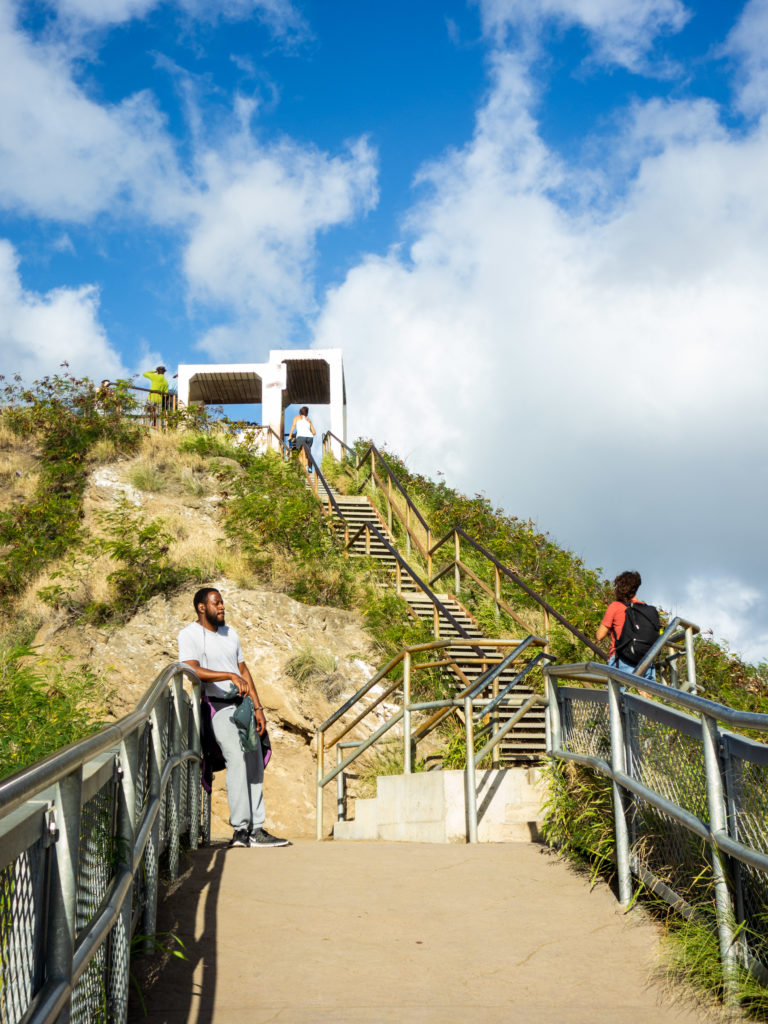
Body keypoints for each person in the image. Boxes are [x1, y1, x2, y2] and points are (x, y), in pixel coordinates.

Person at [178, 587, 290, 848]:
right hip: (217, 706)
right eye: (216, 603)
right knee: (236, 758)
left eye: (222, 603)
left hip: (244, 706)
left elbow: (243, 670)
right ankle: (240, 829)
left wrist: (258, 707)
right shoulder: (189, 634)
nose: (222, 607)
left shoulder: (231, 634)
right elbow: (190, 669)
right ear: (201, 608)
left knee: (254, 760)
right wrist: (227, 676)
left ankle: (256, 829)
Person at [597, 571, 657, 680]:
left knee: (617, 696)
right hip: (647, 662)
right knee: (646, 696)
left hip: (622, 661)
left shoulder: (615, 606)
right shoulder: (646, 609)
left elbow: (599, 636)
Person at [287, 406, 316, 473]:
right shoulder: (308, 420)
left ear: (300, 412)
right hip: (310, 437)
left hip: (300, 436)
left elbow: (293, 426)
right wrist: (307, 431)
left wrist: (290, 436)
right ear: (307, 413)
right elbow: (314, 432)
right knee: (308, 453)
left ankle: (295, 467)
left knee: (295, 451)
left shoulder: (296, 418)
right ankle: (309, 468)